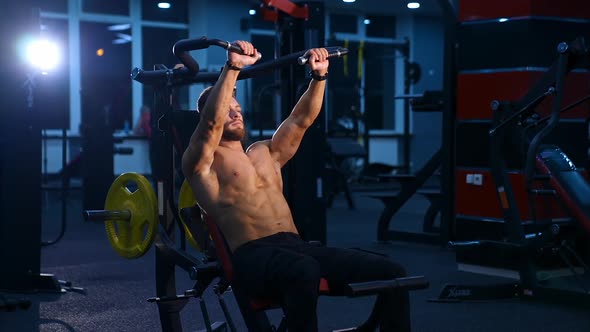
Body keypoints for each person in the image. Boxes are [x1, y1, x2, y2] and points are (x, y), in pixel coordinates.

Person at [182, 40, 410, 332]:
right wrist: (233, 67)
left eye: (238, 108)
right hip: (253, 256)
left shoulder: (265, 152)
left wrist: (319, 77)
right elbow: (211, 125)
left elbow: (301, 120)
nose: (236, 113)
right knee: (304, 270)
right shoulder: (202, 165)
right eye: (228, 108)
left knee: (393, 272)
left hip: (296, 247)